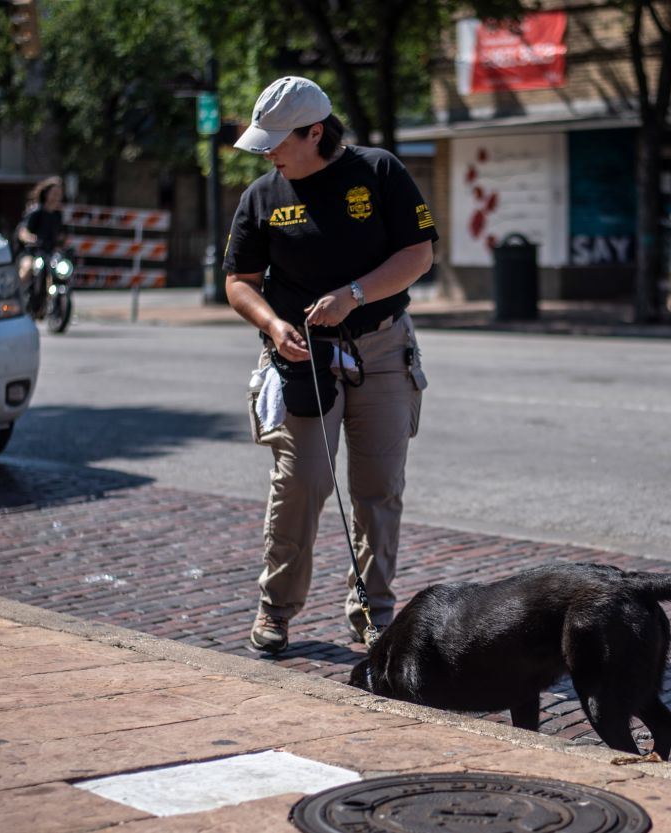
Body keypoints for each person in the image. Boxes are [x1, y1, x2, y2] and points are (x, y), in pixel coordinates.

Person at [223, 76, 437, 654]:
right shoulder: (263, 196)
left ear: (315, 133)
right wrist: (271, 324)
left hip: (383, 348)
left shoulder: (379, 172)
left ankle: (374, 614)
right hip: (302, 359)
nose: (267, 152)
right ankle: (275, 610)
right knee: (301, 485)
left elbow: (418, 253)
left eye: (277, 141)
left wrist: (355, 294)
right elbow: (238, 283)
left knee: (378, 489)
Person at [15, 176, 65, 315]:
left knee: (58, 271)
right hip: (32, 252)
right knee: (27, 268)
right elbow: (23, 231)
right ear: (46, 193)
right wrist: (29, 238)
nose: (56, 196)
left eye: (59, 194)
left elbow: (61, 236)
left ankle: (49, 302)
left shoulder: (57, 215)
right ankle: (15, 295)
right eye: (54, 193)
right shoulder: (35, 211)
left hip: (49, 253)